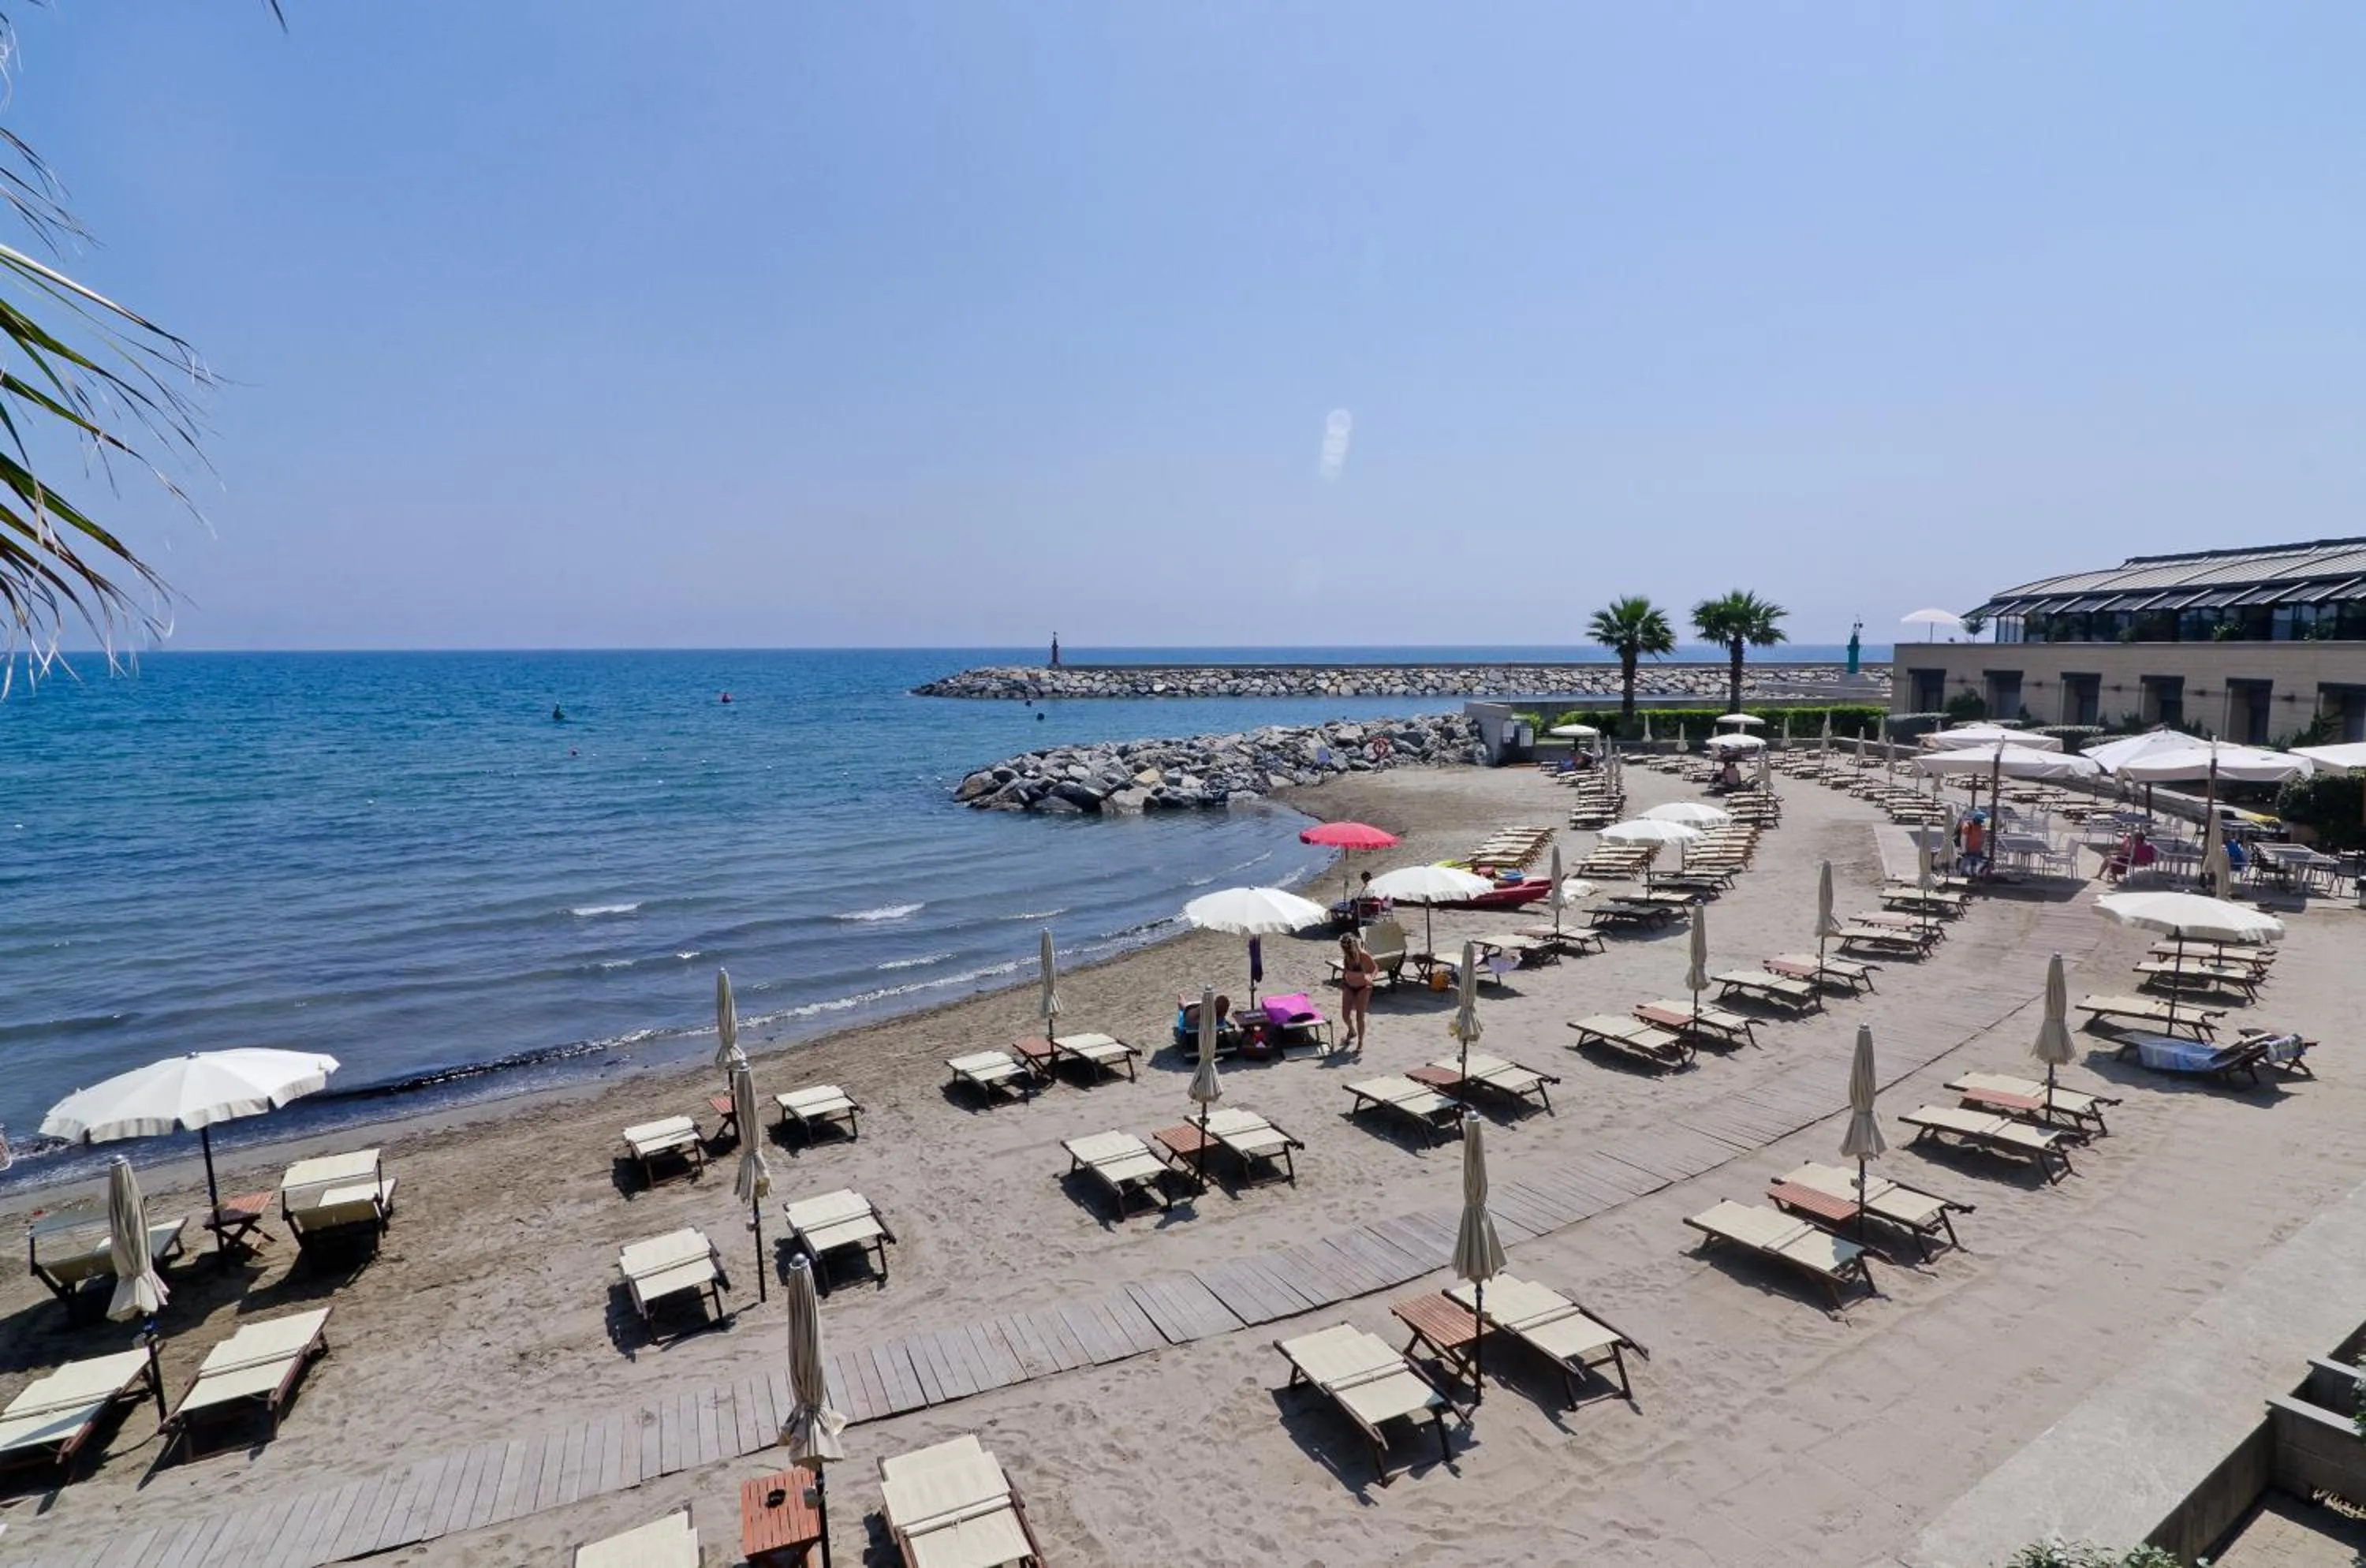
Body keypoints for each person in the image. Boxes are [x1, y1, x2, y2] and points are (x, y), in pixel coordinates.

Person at [1336, 932, 1377, 1051]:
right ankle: (1351, 1030)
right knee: (1345, 1015)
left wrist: (1371, 978)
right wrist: (1344, 979)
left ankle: (1360, 1042)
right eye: (1343, 947)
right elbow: (1346, 969)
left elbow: (1375, 968)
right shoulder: (1347, 956)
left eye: (1347, 947)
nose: (1345, 949)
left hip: (1363, 987)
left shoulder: (1363, 955)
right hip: (1349, 986)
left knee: (1360, 1016)